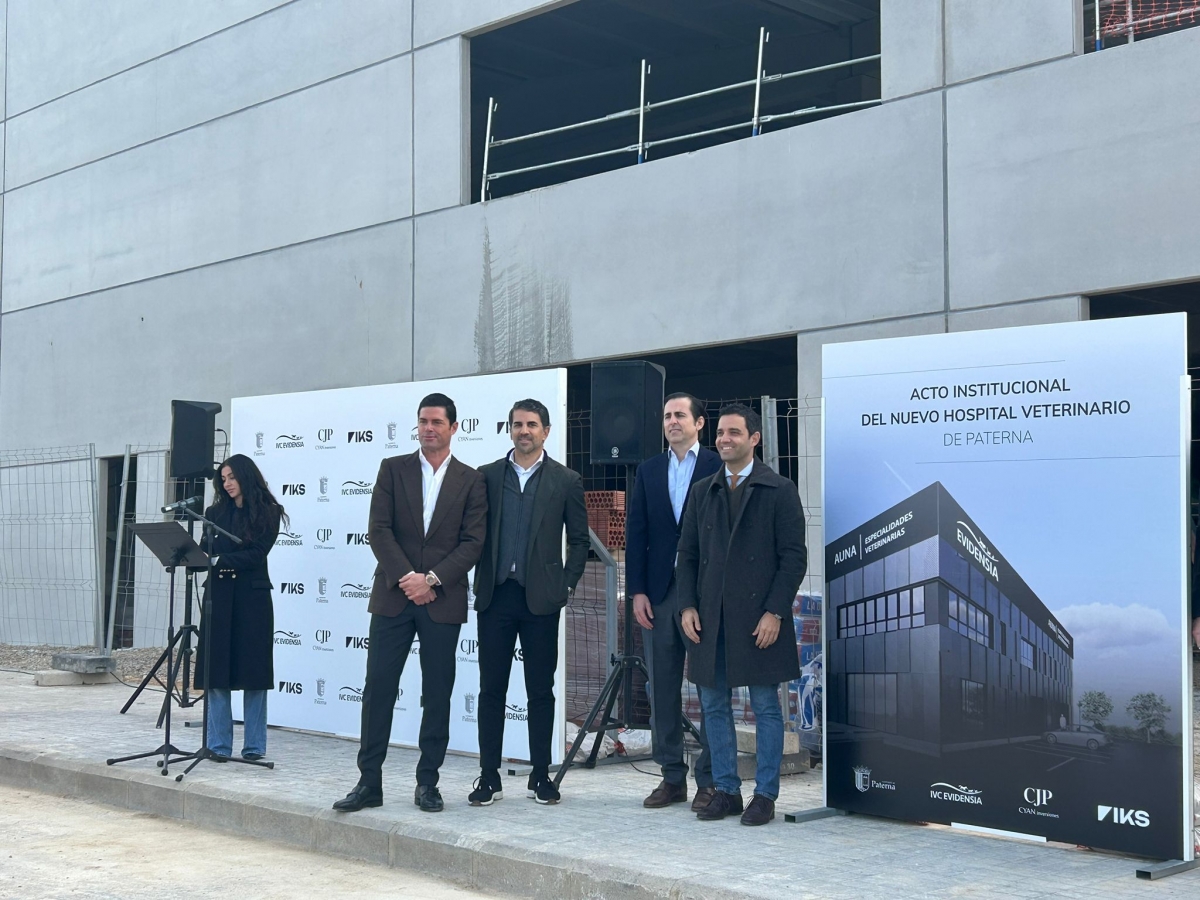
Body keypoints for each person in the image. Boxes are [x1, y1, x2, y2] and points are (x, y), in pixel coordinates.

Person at [333, 393, 487, 814]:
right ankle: (369, 783)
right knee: (378, 689)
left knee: (437, 695)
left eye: (437, 422)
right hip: (393, 597)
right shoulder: (392, 469)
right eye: (422, 421)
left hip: (442, 599)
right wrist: (409, 580)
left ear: (454, 428)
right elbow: (378, 530)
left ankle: (428, 784)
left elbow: (474, 542)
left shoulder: (472, 480)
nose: (428, 428)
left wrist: (432, 580)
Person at [677, 402, 807, 826]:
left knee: (766, 706)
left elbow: (793, 558)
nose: (724, 439)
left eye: (734, 432)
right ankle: (727, 791)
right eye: (720, 432)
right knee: (713, 705)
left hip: (758, 619)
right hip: (710, 618)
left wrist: (775, 612)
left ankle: (765, 795)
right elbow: (689, 556)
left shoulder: (780, 489)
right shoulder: (703, 491)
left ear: (755, 438)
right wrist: (687, 606)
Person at [469, 399, 589, 806]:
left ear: (546, 431)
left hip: (541, 600)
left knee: (540, 691)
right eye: (518, 424)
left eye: (532, 424)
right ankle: (488, 776)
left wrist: (566, 586)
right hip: (495, 596)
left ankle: (541, 775)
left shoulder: (566, 480)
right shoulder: (485, 477)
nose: (525, 431)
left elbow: (578, 540)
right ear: (510, 430)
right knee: (491, 690)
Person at [626, 392, 722, 811]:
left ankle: (711, 779)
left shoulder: (719, 466)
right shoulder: (648, 471)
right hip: (661, 596)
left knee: (709, 692)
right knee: (661, 689)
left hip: (705, 597)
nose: (672, 421)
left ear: (700, 423)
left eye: (680, 415)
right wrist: (638, 592)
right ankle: (671, 776)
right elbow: (637, 534)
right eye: (666, 416)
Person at [194, 454, 288, 762]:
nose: (227, 483)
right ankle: (218, 745)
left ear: (246, 476)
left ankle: (254, 747)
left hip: (252, 598)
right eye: (223, 478)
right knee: (216, 671)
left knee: (254, 673)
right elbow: (204, 550)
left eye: (232, 477)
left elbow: (257, 554)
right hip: (218, 596)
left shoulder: (269, 512)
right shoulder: (214, 512)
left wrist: (221, 560)